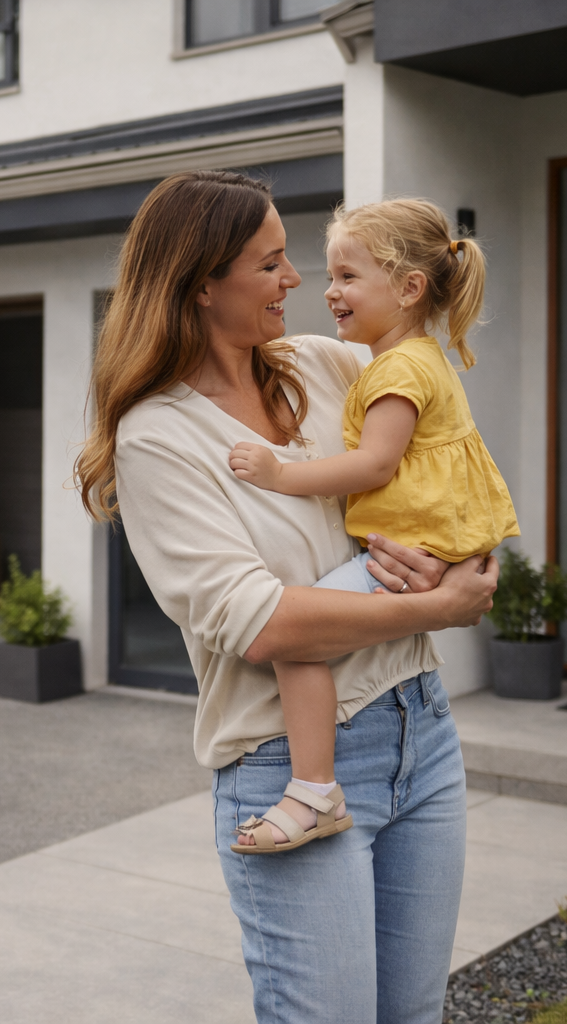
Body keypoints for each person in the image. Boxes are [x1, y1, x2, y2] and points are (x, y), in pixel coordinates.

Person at [75, 169, 498, 1023]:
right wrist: (435, 607)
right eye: (271, 264)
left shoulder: (325, 364)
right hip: (286, 763)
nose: (297, 281)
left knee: (412, 1015)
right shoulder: (159, 436)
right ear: (201, 283)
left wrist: (462, 560)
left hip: (419, 729)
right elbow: (265, 624)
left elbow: (446, 455)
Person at [224, 198, 518, 854]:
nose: (329, 292)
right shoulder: (405, 360)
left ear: (410, 287)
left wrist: (279, 474)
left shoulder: (401, 370)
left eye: (348, 277)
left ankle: (313, 794)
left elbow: (374, 463)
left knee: (298, 644)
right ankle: (317, 790)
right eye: (331, 277)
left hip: (414, 552)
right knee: (305, 640)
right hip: (425, 548)